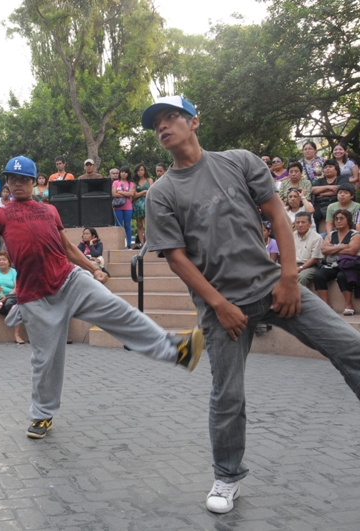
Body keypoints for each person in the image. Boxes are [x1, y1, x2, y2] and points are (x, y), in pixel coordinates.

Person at [141, 94, 360, 514]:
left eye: (171, 117)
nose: (163, 126)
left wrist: (291, 277)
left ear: (194, 122)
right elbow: (176, 257)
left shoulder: (238, 161)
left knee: (350, 348)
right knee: (228, 395)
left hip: (276, 290)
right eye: (157, 124)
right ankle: (227, 476)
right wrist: (219, 304)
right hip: (224, 311)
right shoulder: (162, 193)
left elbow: (278, 213)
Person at [0, 155, 201, 442]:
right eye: (12, 179)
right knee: (46, 359)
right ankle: (41, 415)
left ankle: (177, 351)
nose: (18, 183)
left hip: (69, 279)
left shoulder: (49, 211)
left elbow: (69, 250)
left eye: (24, 179)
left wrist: (95, 268)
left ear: (33, 182)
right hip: (36, 298)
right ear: (8, 183)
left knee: (119, 310)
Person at [311, 159, 348, 225]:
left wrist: (324, 194)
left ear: (336, 169)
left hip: (337, 203)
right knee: (314, 214)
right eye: (325, 167)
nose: (327, 169)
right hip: (320, 205)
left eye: (330, 167)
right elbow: (312, 190)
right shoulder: (320, 181)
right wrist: (328, 187)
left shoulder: (342, 178)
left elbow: (341, 190)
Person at [293, 212, 323, 286]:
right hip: (293, 265)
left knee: (302, 277)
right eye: (298, 222)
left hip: (310, 266)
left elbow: (314, 259)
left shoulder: (316, 237)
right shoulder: (291, 236)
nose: (300, 225)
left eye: (303, 222)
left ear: (310, 223)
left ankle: (297, 297)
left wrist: (300, 268)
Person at [112, 166, 135, 248]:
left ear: (128, 173)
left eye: (125, 172)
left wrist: (120, 192)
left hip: (128, 207)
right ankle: (119, 244)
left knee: (127, 225)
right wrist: (126, 193)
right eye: (121, 172)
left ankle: (129, 245)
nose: (123, 173)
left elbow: (132, 194)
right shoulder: (115, 183)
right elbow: (114, 194)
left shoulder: (131, 183)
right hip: (118, 207)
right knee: (118, 225)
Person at [132, 164, 153, 249]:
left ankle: (149, 242)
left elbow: (151, 192)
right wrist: (144, 191)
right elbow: (134, 195)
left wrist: (140, 193)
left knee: (147, 224)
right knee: (139, 225)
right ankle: (142, 243)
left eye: (142, 170)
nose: (140, 172)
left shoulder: (149, 180)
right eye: (138, 170)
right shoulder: (134, 182)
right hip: (137, 205)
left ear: (145, 171)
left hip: (147, 204)